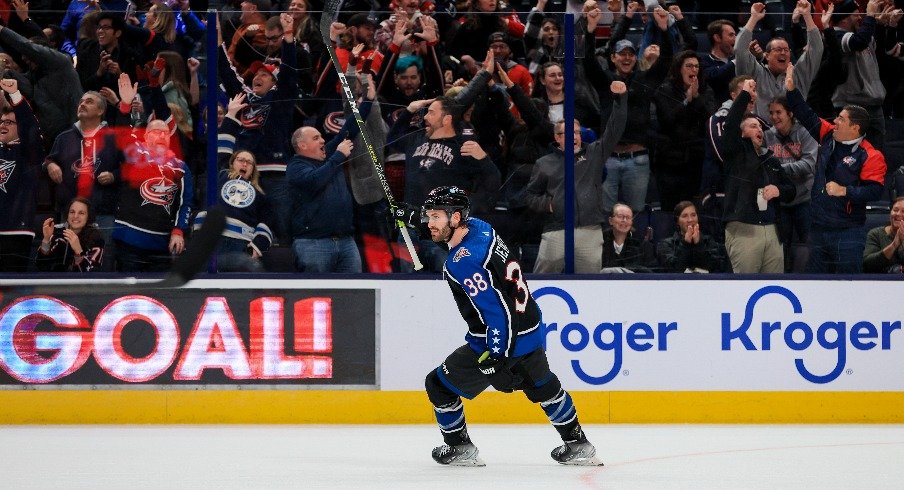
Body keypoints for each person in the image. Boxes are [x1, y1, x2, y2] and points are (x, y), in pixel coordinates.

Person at [414, 186, 602, 467]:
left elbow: (496, 311)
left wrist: (496, 356)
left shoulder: (461, 264)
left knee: (438, 385)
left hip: (499, 338)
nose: (430, 223)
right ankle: (578, 443)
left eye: (436, 217)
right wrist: (413, 220)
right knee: (543, 386)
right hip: (529, 325)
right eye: (429, 216)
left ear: (455, 218)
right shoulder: (481, 228)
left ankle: (459, 448)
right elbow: (457, 241)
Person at [785, 63, 887, 273]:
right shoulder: (828, 135)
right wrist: (791, 91)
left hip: (847, 232)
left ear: (855, 128)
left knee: (848, 288)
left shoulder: (871, 155)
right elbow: (806, 115)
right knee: (816, 288)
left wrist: (845, 191)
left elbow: (875, 191)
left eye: (841, 119)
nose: (836, 121)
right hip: (818, 229)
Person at [524, 81, 627, 273]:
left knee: (590, 285)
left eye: (578, 132)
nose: (575, 137)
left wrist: (620, 100)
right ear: (558, 137)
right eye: (569, 133)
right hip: (556, 230)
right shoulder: (544, 163)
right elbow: (530, 196)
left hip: (589, 229)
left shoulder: (593, 154)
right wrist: (550, 205)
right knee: (543, 278)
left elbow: (614, 130)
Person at [285, 81, 375, 273]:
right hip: (313, 244)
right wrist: (338, 156)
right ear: (302, 145)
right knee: (315, 297)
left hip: (346, 242)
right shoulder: (296, 166)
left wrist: (367, 101)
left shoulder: (329, 153)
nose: (323, 140)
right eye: (316, 138)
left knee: (354, 297)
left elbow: (349, 130)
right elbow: (315, 181)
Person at [721, 79, 796, 274]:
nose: (759, 129)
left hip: (772, 229)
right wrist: (745, 94)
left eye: (760, 127)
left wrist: (779, 190)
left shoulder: (771, 159)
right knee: (745, 289)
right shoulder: (735, 153)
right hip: (744, 228)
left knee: (774, 288)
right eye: (753, 126)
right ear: (742, 133)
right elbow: (730, 126)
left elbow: (791, 190)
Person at [194, 93, 273, 272]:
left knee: (249, 266)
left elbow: (267, 220)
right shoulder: (221, 175)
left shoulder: (259, 193)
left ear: (254, 169)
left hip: (239, 245)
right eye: (240, 160)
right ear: (232, 163)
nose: (244, 163)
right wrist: (230, 115)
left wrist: (257, 246)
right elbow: (223, 146)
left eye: (249, 162)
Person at [734, 1, 823, 118]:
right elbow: (740, 49)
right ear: (767, 55)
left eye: (786, 50)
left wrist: (807, 16)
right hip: (760, 132)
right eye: (778, 49)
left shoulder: (797, 75)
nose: (783, 53)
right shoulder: (755, 73)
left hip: (794, 134)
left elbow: (816, 49)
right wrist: (754, 18)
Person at [764, 95, 818, 272]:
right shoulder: (767, 135)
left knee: (809, 244)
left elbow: (809, 164)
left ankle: (810, 280)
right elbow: (764, 165)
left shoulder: (805, 133)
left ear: (790, 113)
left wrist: (779, 169)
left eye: (779, 112)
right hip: (780, 201)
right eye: (771, 113)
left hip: (804, 199)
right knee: (781, 247)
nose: (774, 117)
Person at [0, 78, 41, 272]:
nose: (3, 125)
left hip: (15, 231)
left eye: (9, 122)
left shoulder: (28, 154)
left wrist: (16, 96)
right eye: (1, 121)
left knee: (10, 293)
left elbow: (31, 129)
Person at [657, 201, 730, 273]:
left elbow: (714, 268)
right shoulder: (666, 244)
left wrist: (699, 244)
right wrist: (685, 244)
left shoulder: (709, 241)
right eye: (685, 216)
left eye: (693, 215)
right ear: (677, 221)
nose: (690, 220)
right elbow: (674, 270)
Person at [36, 197, 105, 272]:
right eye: (72, 212)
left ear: (88, 217)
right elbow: (42, 266)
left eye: (81, 213)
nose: (75, 216)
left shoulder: (96, 238)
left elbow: (91, 274)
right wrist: (46, 239)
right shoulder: (57, 232)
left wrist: (78, 251)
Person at [601, 203, 657, 272]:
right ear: (610, 220)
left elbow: (651, 271)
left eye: (628, 217)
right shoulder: (600, 241)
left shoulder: (641, 243)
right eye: (620, 216)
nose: (624, 220)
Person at [863, 196, 904, 273]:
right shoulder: (875, 234)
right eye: (895, 210)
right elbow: (867, 264)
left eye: (903, 211)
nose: (898, 214)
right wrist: (894, 245)